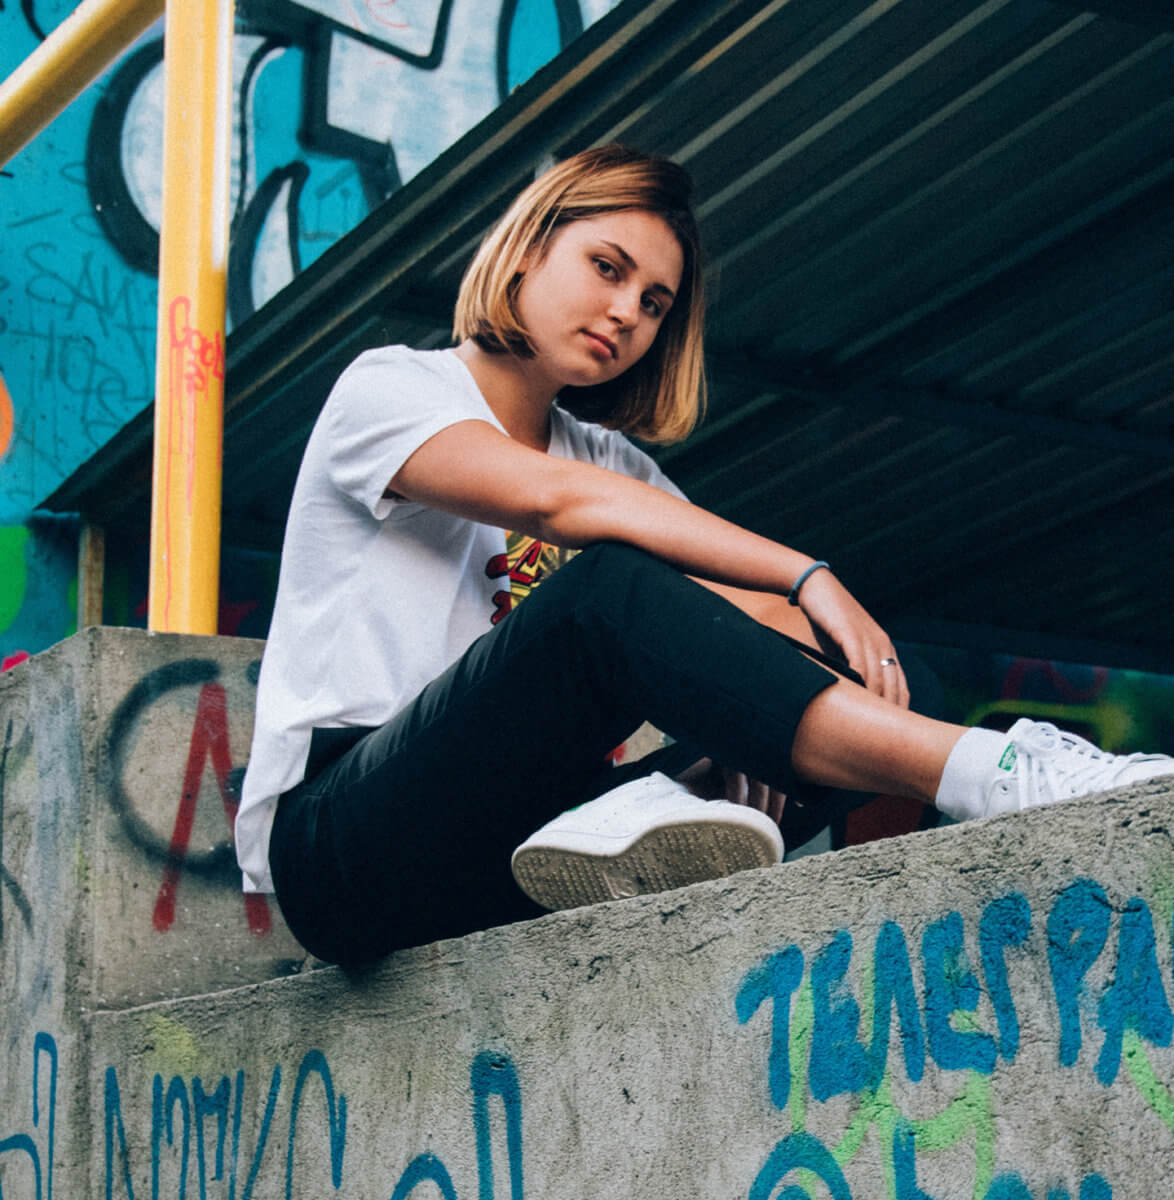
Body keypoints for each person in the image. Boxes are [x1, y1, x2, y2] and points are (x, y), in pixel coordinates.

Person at [236, 145, 1173, 966]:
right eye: (606, 268)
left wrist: (792, 668)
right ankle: (1006, 775)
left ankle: (748, 842)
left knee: (885, 674)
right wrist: (809, 571)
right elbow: (556, 503)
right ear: (527, 248)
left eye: (652, 302)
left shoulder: (612, 459)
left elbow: (753, 624)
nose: (625, 314)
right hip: (347, 851)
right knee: (607, 590)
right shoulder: (393, 389)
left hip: (512, 852)